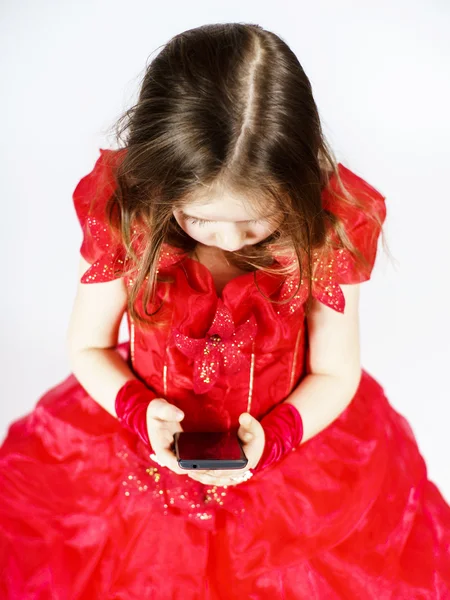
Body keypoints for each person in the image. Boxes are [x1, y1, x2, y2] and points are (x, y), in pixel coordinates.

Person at [1, 22, 449, 600]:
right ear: (162, 184)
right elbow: (87, 344)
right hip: (137, 457)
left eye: (254, 221)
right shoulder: (131, 219)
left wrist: (280, 435)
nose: (229, 239)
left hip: (293, 455)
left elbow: (337, 371)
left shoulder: (325, 233)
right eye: (199, 218)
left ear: (297, 183)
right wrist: (137, 410)